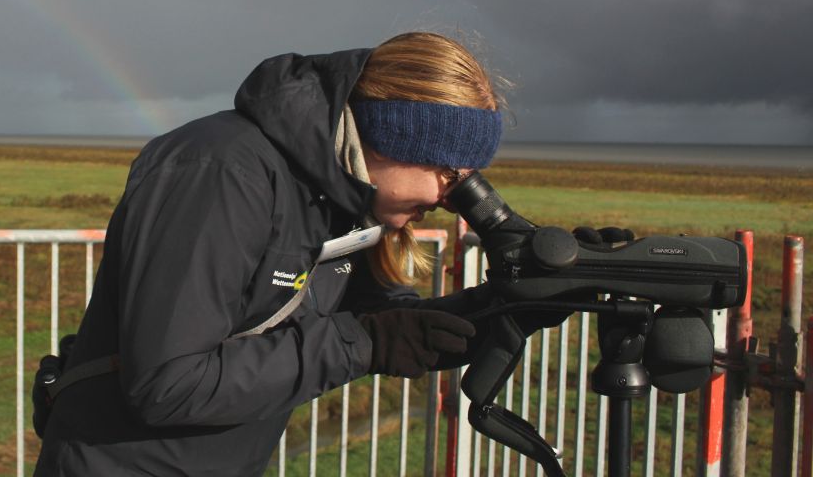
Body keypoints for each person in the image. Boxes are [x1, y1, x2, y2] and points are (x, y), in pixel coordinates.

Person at [34, 32, 556, 476]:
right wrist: (364, 344)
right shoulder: (220, 172)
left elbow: (393, 329)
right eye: (451, 173)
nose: (451, 200)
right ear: (396, 137)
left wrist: (523, 301)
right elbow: (170, 383)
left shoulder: (339, 196)